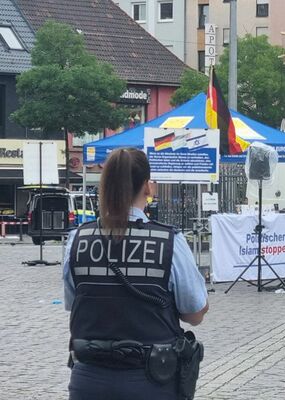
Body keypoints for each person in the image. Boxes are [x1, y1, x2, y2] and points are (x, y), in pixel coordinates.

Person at [63, 148, 209, 400]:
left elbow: (75, 302)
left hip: (89, 381)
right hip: (151, 381)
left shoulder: (78, 239)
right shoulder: (169, 241)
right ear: (147, 187)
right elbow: (195, 313)